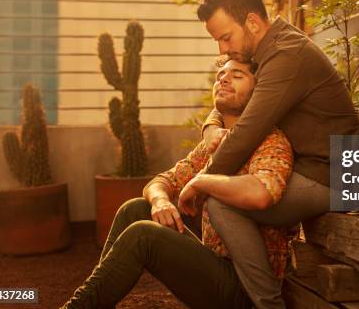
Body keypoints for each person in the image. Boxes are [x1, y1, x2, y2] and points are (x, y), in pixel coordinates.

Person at [60, 59, 295, 309]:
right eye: (221, 75)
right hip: (215, 267)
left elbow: (263, 192)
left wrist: (203, 181)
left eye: (237, 76)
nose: (223, 79)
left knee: (143, 236)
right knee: (135, 208)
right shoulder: (214, 144)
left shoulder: (270, 142)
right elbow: (161, 181)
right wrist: (161, 200)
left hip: (247, 290)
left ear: (258, 92)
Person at [187, 0, 359, 309]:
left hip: (334, 174)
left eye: (226, 38)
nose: (222, 50)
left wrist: (201, 182)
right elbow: (239, 95)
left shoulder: (286, 55)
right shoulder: (269, 49)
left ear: (252, 22)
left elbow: (248, 129)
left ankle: (268, 305)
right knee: (224, 193)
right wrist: (211, 124)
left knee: (221, 202)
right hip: (311, 168)